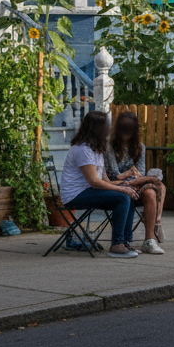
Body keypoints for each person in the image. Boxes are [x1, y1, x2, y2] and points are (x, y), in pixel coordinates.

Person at [59, 111, 139, 259]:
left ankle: (125, 241)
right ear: (97, 129)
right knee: (122, 197)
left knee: (129, 195)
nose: (109, 129)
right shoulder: (83, 149)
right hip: (75, 195)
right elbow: (94, 181)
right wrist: (121, 189)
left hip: (89, 191)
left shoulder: (97, 149)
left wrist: (125, 185)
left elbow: (105, 181)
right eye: (106, 126)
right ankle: (117, 244)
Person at [105, 112, 166, 255]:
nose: (126, 136)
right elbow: (113, 173)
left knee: (151, 193)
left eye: (129, 132)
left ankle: (149, 240)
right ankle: (125, 240)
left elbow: (141, 172)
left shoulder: (140, 147)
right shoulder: (109, 146)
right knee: (129, 194)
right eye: (123, 132)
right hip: (114, 185)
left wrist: (132, 181)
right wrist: (129, 177)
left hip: (134, 184)